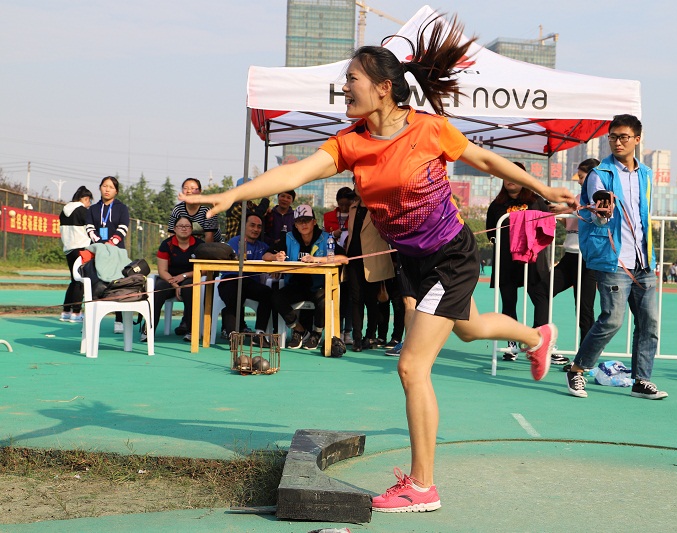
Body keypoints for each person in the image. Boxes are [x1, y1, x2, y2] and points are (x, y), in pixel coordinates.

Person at [181, 15, 574, 513]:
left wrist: (542, 189)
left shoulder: (429, 129)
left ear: (384, 87)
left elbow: (487, 161)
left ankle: (423, 485)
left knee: (411, 366)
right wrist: (233, 195)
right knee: (470, 329)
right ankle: (538, 337)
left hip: (450, 257)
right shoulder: (351, 142)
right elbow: (294, 174)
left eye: (352, 79)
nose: (344, 87)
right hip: (412, 261)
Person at [563, 114, 667, 401]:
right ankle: (577, 369)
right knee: (611, 320)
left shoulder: (646, 174)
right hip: (613, 259)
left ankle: (641, 380)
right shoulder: (599, 174)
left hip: (643, 260)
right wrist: (601, 215)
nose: (617, 142)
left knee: (649, 323)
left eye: (623, 137)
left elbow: (643, 215)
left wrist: (649, 255)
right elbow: (593, 214)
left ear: (637, 139)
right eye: (612, 137)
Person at [485, 164, 557, 362]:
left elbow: (548, 226)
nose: (510, 180)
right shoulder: (496, 205)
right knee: (508, 302)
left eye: (514, 175)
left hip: (533, 260)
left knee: (540, 297)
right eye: (506, 175)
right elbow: (491, 232)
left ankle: (540, 341)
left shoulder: (536, 201)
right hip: (506, 260)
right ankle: (512, 343)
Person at [531, 158, 599, 357]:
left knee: (584, 311)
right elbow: (572, 224)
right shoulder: (577, 197)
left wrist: (568, 209)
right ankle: (540, 342)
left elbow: (594, 213)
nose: (578, 180)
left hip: (587, 261)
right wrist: (558, 214)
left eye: (582, 177)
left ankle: (585, 358)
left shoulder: (600, 197)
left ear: (593, 176)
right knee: (541, 290)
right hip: (569, 257)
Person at [272, 205, 347, 350]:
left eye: (306, 220)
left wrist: (317, 259)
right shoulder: (288, 237)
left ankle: (316, 333)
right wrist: (276, 256)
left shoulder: (326, 238)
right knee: (276, 297)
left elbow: (344, 258)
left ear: (314, 221)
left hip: (317, 286)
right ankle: (299, 330)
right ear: (295, 224)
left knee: (323, 298)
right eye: (299, 221)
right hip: (294, 285)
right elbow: (266, 255)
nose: (303, 224)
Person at [219, 212, 283, 340]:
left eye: (259, 226)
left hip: (250, 283)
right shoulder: (234, 242)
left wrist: (276, 265)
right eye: (252, 225)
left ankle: (259, 334)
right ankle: (232, 334)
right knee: (234, 294)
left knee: (268, 293)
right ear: (244, 226)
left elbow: (272, 259)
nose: (256, 229)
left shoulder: (263, 247)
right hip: (231, 280)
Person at [345, 191, 395, 352]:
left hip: (373, 259)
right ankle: (357, 338)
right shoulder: (353, 207)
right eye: (356, 183)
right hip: (353, 259)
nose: (359, 186)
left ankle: (370, 335)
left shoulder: (379, 206)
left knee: (371, 300)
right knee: (356, 299)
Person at [85, 175, 130, 334]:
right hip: (96, 251)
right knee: (93, 283)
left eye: (111, 187)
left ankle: (119, 320)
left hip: (116, 251)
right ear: (100, 188)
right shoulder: (93, 209)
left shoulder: (122, 208)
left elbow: (123, 227)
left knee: (117, 283)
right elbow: (89, 228)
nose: (107, 189)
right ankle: (90, 319)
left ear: (116, 191)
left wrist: (111, 243)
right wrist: (99, 244)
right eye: (105, 186)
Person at [151, 215, 203, 342]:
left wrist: (184, 276)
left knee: (189, 288)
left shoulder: (200, 245)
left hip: (191, 277)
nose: (184, 229)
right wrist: (175, 285)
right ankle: (148, 329)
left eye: (187, 226)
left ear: (191, 229)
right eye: (180, 226)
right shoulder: (166, 244)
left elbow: (204, 269)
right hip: (169, 279)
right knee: (159, 288)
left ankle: (191, 330)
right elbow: (162, 271)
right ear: (174, 229)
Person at [324, 186, 357, 345]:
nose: (344, 207)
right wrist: (333, 234)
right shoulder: (328, 216)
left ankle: (348, 331)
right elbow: (324, 236)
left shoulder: (356, 214)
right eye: (341, 204)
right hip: (334, 261)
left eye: (347, 204)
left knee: (350, 297)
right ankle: (337, 330)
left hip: (351, 260)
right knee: (336, 296)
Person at [59, 186, 93, 323]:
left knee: (74, 281)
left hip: (69, 249)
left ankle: (66, 312)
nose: (89, 204)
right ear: (85, 199)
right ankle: (76, 313)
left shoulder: (63, 211)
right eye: (89, 201)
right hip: (81, 249)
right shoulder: (82, 211)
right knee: (81, 281)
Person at [168, 178, 222, 243]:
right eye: (185, 188)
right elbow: (172, 234)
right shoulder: (177, 210)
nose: (189, 191)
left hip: (212, 245)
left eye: (193, 188)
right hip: (187, 245)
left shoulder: (207, 209)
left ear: (200, 191)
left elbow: (209, 237)